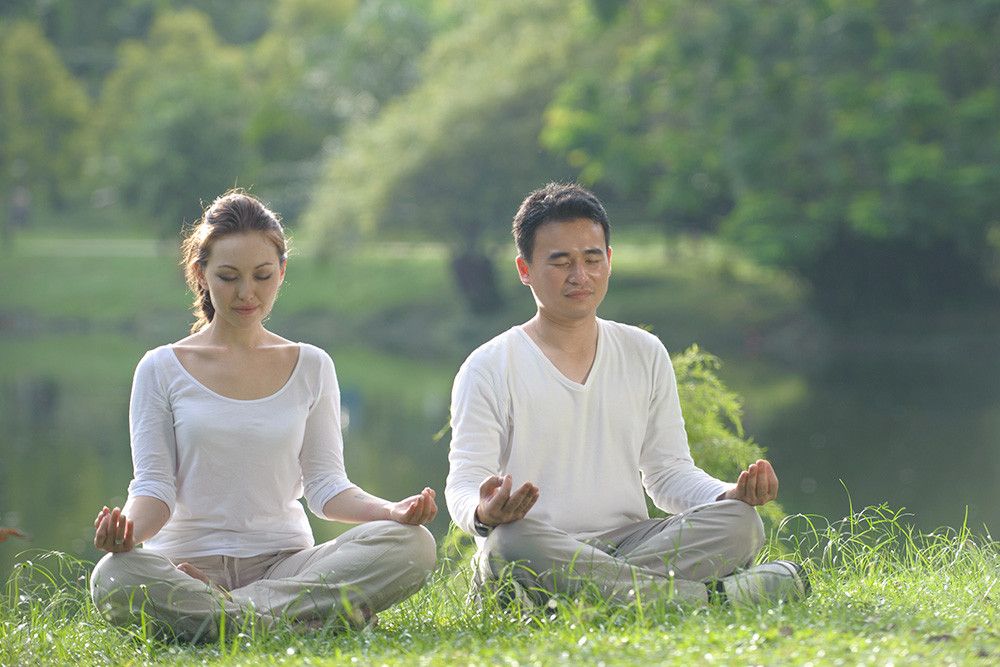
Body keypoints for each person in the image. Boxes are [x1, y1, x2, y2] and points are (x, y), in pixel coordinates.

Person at [90, 191, 438, 641]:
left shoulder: (311, 364)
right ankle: (301, 623)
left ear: (282, 271)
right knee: (112, 577)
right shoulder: (160, 368)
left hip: (286, 564)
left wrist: (391, 511)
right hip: (184, 566)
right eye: (229, 277)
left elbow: (326, 487)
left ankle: (228, 615)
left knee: (412, 545)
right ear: (201, 273)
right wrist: (128, 532)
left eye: (262, 275)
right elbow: (155, 488)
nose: (246, 293)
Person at [445, 183, 809, 608]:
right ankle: (714, 600)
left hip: (630, 540)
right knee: (509, 542)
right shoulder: (489, 366)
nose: (580, 276)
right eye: (560, 262)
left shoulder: (643, 351)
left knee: (741, 524)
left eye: (591, 259)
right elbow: (465, 483)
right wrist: (485, 512)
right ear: (525, 270)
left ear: (609, 261)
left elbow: (668, 474)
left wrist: (728, 494)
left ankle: (573, 598)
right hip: (540, 541)